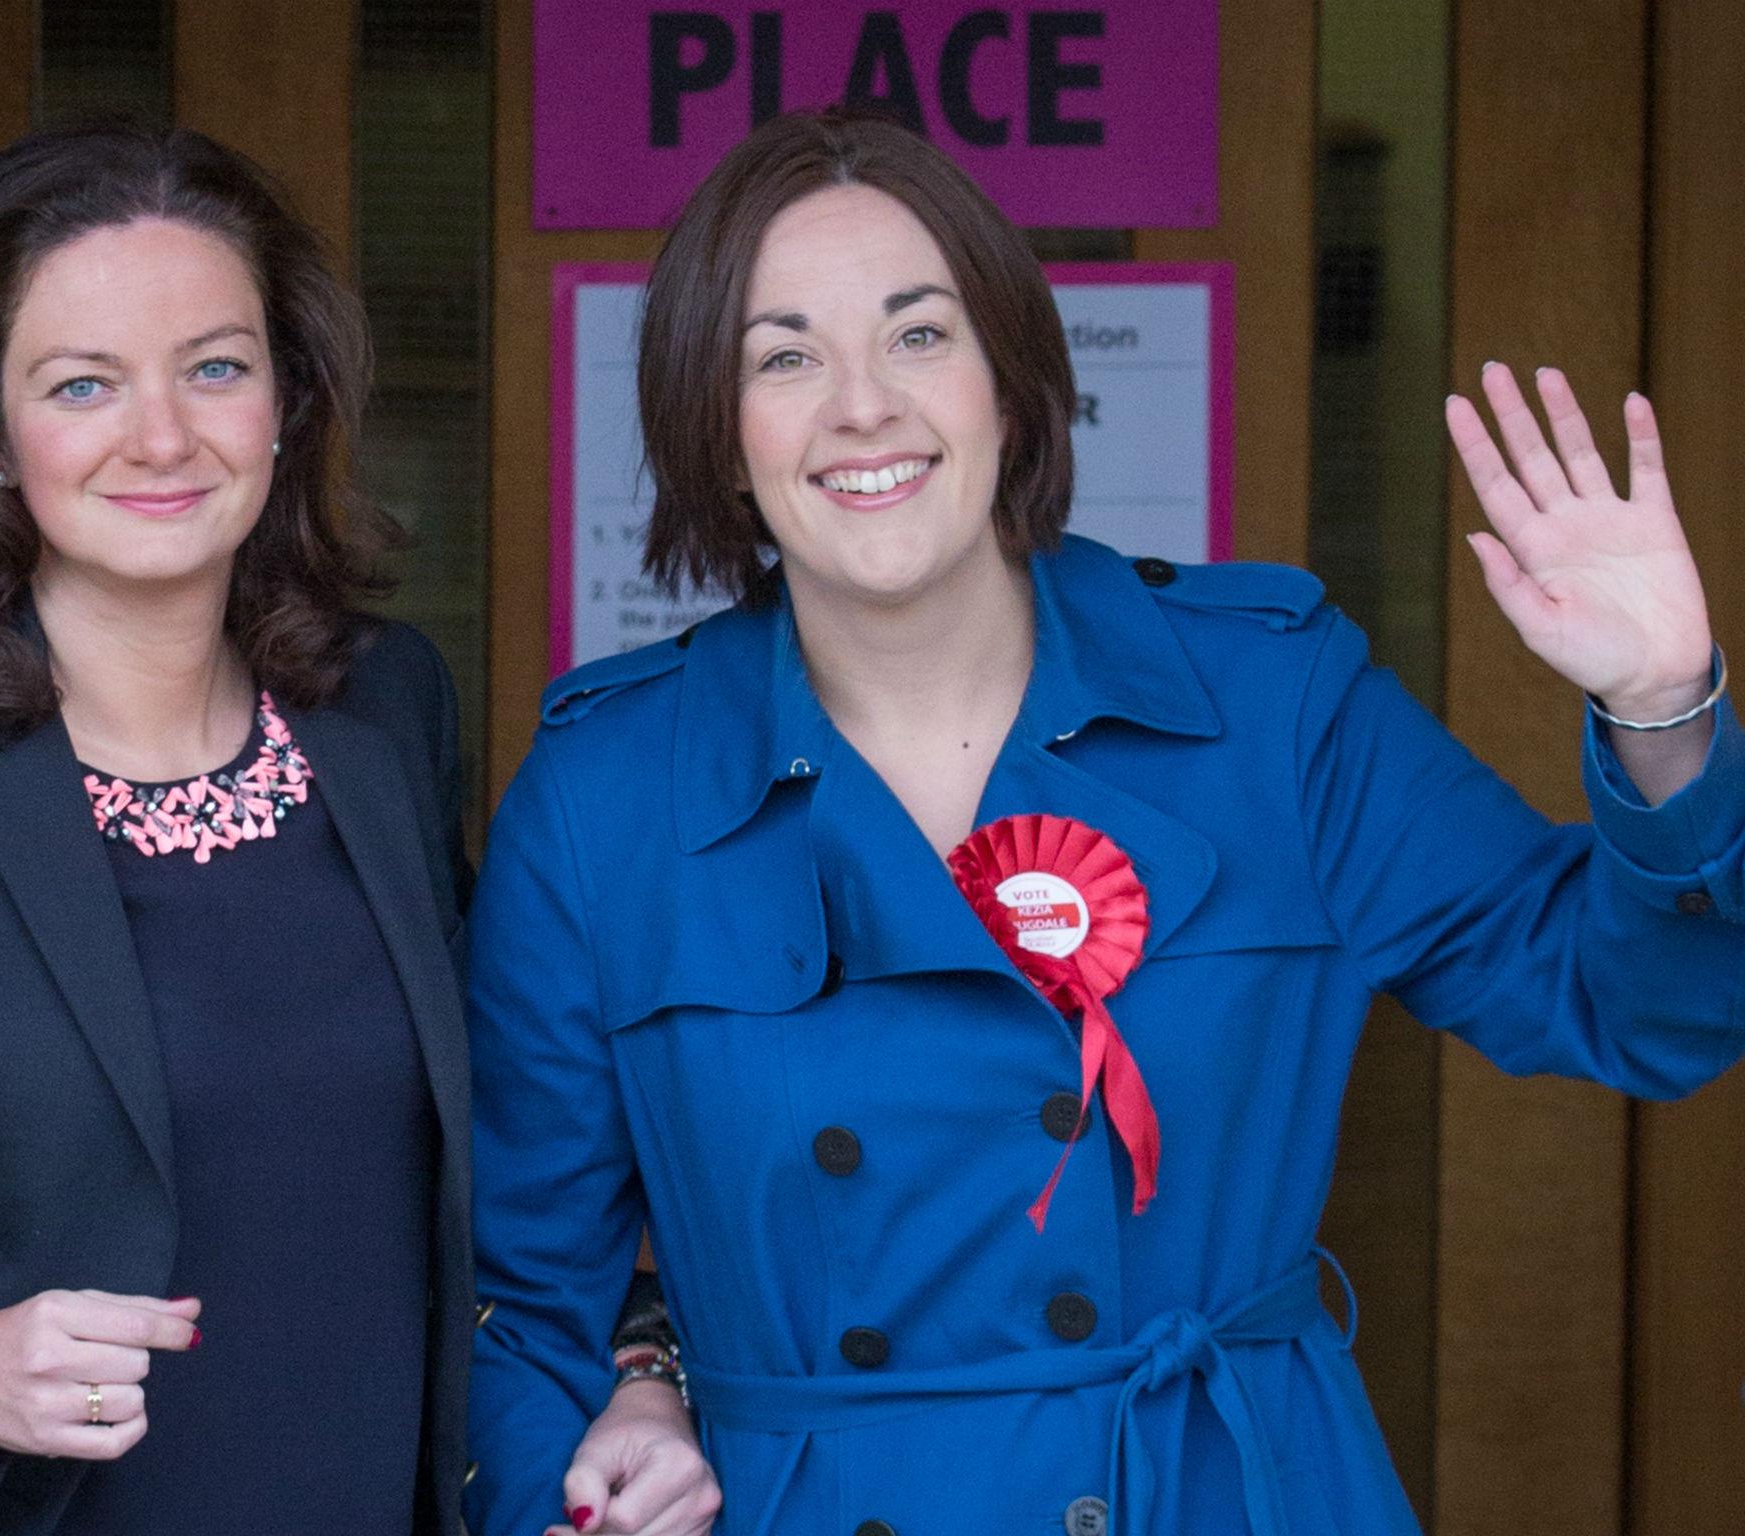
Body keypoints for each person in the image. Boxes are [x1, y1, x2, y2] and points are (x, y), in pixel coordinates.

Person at [462, 108, 1743, 1536]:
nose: (863, 404)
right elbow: (528, 1307)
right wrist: (586, 1480)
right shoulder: (604, 796)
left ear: (1011, 380)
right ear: (719, 425)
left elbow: (1645, 1010)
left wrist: (1663, 706)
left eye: (920, 333)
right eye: (784, 356)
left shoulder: (1268, 695)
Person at [0, 124, 711, 1536]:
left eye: (216, 367)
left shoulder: (382, 711)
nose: (161, 435)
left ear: (288, 400)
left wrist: (641, 1374)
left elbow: (508, 1166)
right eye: (83, 384)